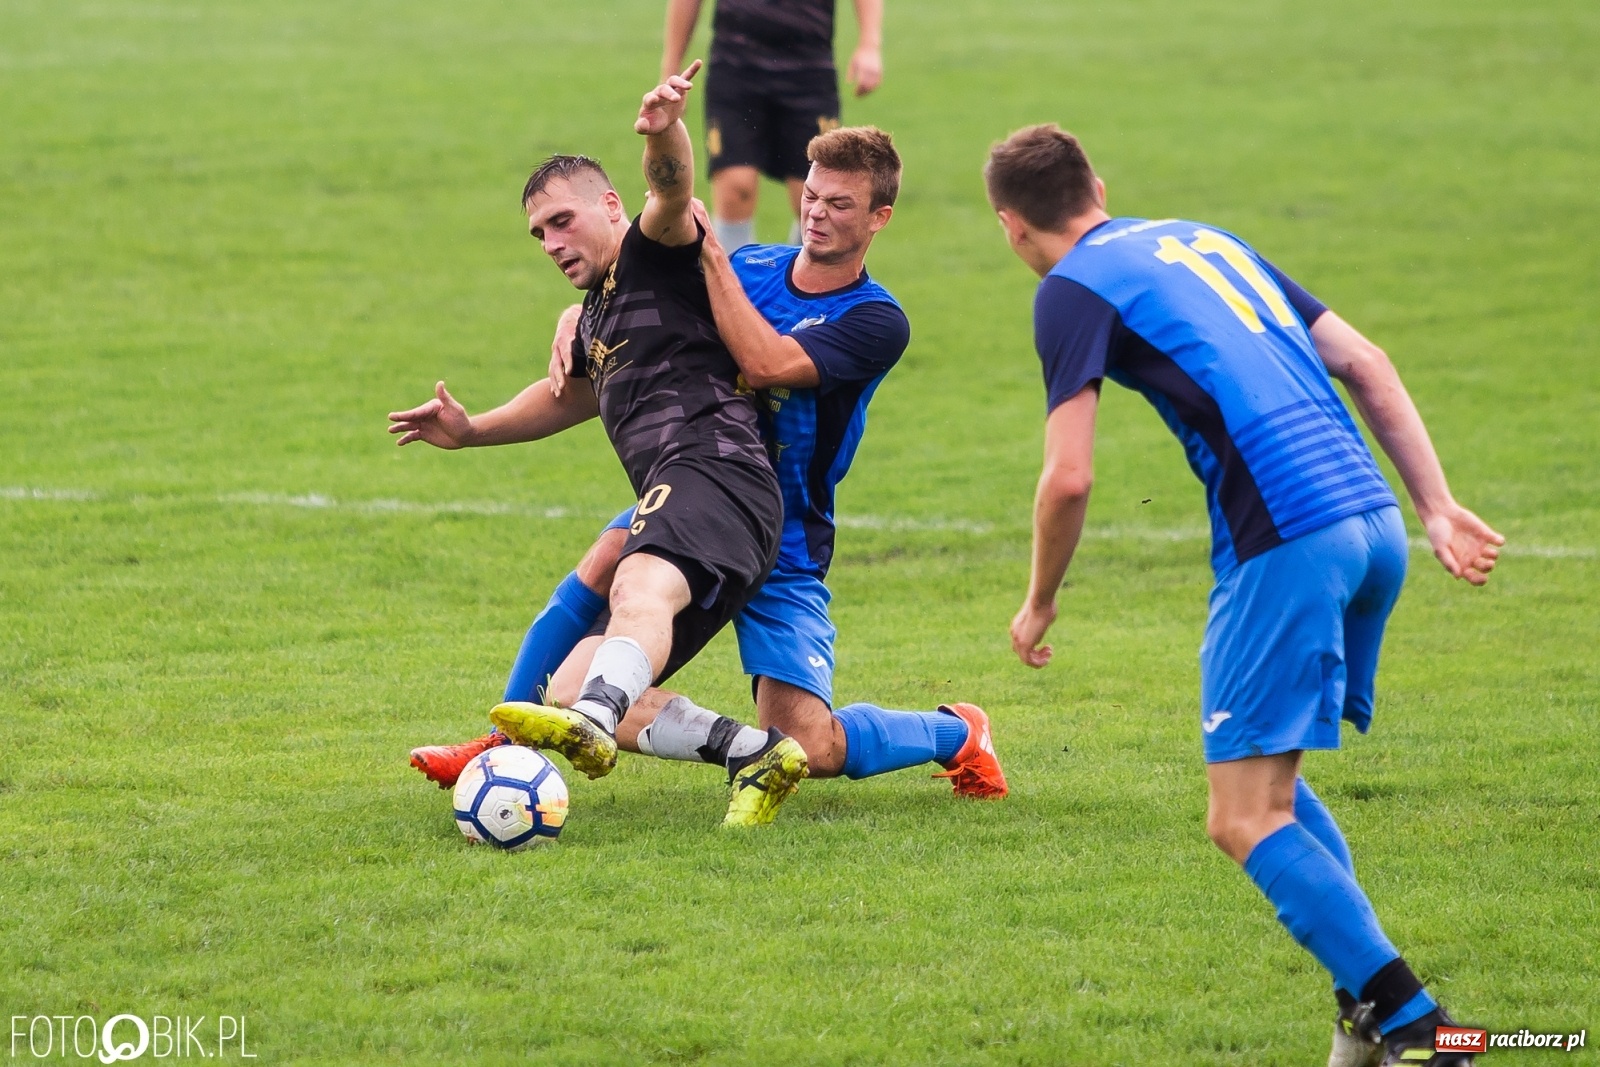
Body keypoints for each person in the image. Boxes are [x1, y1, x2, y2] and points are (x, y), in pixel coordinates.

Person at [984, 124, 1502, 1067]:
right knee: (1273, 788)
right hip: (1372, 522)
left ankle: (1426, 1031)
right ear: (1100, 186)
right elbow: (1367, 360)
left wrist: (1040, 599)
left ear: (1011, 227)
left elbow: (1068, 477)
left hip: (1287, 537)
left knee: (1243, 816)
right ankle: (1364, 1011)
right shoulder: (1206, 237)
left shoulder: (1068, 288)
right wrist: (1436, 506)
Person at [410, 126, 1008, 820]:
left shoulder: (875, 319)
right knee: (604, 575)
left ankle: (958, 732)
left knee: (811, 745)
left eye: (839, 204)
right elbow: (637, 324)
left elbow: (766, 364)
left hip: (781, 528)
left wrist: (707, 251)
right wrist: (582, 315)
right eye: (811, 196)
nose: (816, 212)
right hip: (696, 482)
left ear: (880, 218)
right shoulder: (755, 263)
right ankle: (508, 739)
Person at [388, 63, 806, 827]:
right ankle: (756, 753)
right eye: (539, 234)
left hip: (715, 469)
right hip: (713, 506)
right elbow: (568, 398)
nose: (551, 242)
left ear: (611, 206)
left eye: (562, 221)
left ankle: (593, 719)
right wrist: (472, 430)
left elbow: (673, 192)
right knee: (571, 677)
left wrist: (663, 132)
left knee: (633, 581)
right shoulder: (593, 315)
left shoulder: (654, 251)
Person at [661, 0, 883, 250]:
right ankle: (730, 273)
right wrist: (671, 69)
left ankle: (803, 273)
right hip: (735, 65)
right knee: (736, 189)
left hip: (809, 68)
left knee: (816, 194)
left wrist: (869, 44)